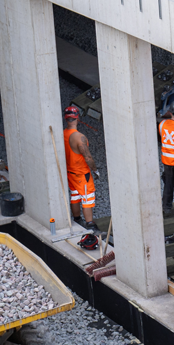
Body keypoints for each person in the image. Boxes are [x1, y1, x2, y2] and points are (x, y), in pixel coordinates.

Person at [64, 106, 99, 249]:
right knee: (87, 198)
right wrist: (95, 170)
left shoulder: (64, 133)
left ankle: (77, 220)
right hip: (81, 173)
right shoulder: (79, 137)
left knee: (75, 196)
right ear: (78, 117)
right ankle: (90, 224)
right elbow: (87, 157)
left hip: (70, 172)